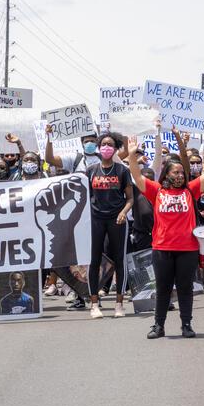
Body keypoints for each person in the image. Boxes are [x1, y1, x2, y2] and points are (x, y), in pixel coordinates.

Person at [129, 134, 204, 339]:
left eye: (181, 172)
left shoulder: (190, 190)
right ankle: (158, 326)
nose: (179, 175)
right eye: (175, 172)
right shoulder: (156, 191)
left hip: (187, 249)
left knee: (185, 288)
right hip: (162, 248)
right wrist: (133, 156)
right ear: (166, 175)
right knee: (163, 288)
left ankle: (186, 324)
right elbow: (137, 176)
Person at [80, 132, 133, 319]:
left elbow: (130, 198)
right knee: (94, 261)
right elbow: (83, 197)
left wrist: (123, 212)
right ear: (98, 147)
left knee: (119, 260)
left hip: (117, 219)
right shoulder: (91, 170)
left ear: (116, 148)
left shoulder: (122, 171)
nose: (106, 147)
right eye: (103, 144)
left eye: (110, 144)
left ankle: (119, 303)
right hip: (95, 220)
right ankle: (94, 304)